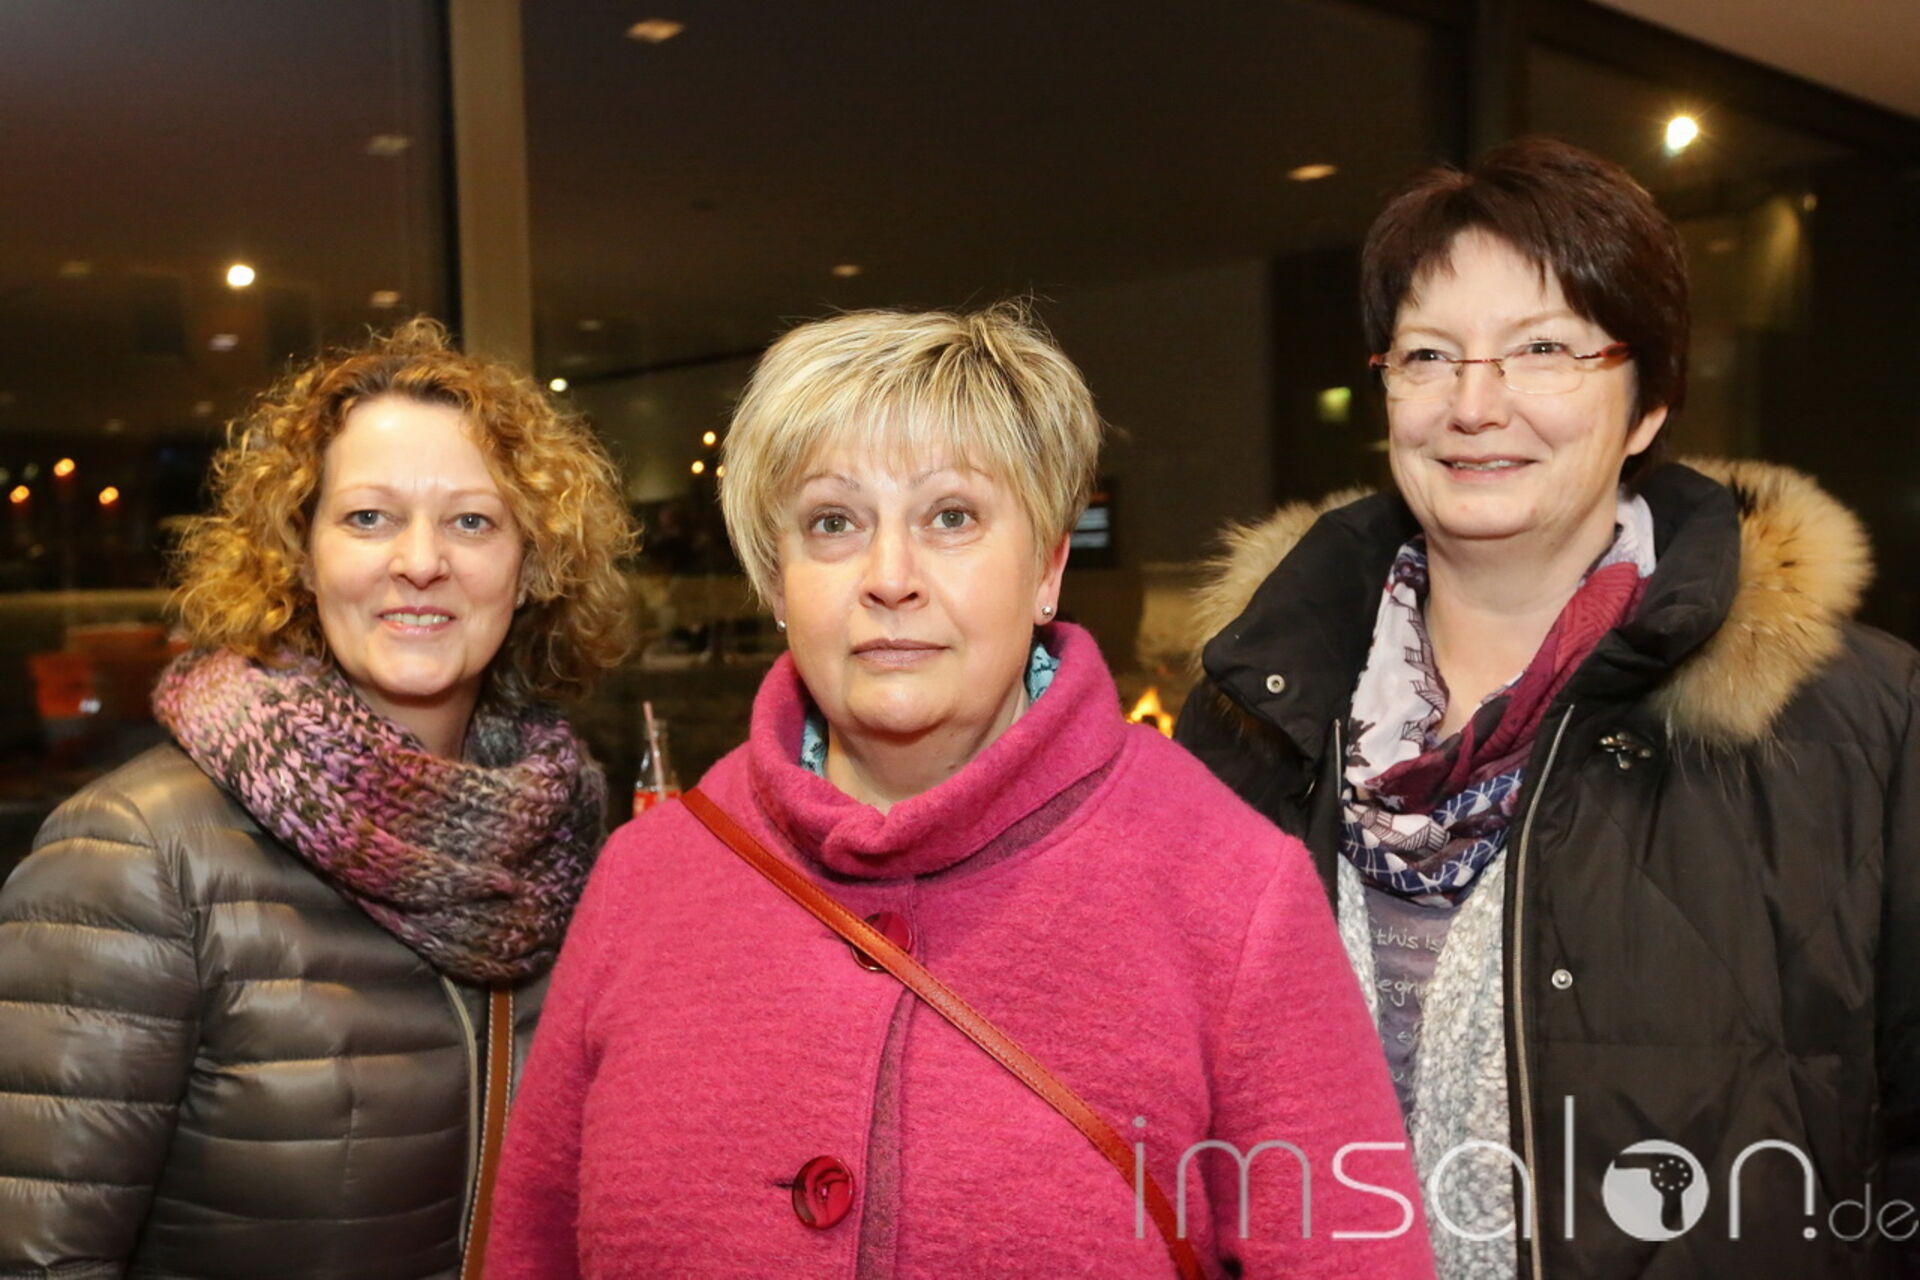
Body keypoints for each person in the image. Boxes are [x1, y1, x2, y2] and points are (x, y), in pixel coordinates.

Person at [486, 304, 1435, 1277]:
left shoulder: (1230, 887)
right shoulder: (645, 880)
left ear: (1048, 565)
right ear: (777, 581)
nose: (890, 577)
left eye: (952, 517)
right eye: (834, 522)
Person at [1177, 136, 1920, 1278]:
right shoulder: (1254, 710)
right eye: (1429, 355)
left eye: (1543, 349)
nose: (1475, 405)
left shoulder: (1860, 723)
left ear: (1647, 402)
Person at [0, 319, 636, 1278]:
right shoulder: (134, 855)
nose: (420, 561)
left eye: (472, 521)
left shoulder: (567, 844)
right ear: (298, 554)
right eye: (368, 518)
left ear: (532, 567)